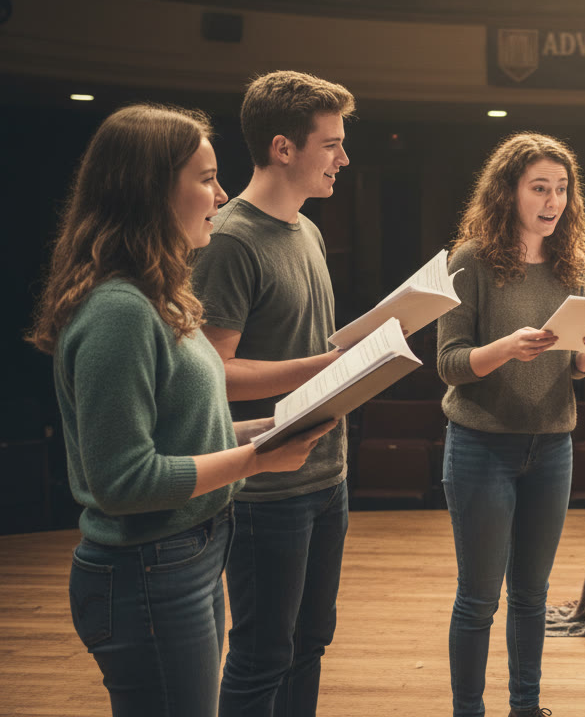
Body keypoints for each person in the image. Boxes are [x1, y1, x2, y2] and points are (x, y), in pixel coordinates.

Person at [26, 103, 334, 716]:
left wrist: (268, 425)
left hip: (183, 557)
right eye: (205, 178)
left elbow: (181, 430)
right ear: (150, 191)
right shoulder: (119, 311)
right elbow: (123, 480)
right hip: (147, 571)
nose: (220, 194)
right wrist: (254, 459)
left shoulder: (156, 296)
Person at [191, 70, 355, 717]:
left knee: (311, 641)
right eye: (332, 144)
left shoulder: (307, 229)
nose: (344, 158)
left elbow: (300, 345)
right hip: (264, 482)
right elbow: (213, 371)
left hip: (323, 473)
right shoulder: (230, 239)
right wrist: (327, 366)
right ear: (284, 148)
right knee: (262, 653)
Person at [436, 132, 585, 717]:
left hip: (552, 445)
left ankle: (525, 706)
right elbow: (451, 364)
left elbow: (576, 369)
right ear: (507, 191)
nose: (553, 201)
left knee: (533, 597)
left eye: (562, 189)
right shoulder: (470, 261)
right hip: (481, 445)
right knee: (479, 598)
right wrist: (505, 349)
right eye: (540, 187)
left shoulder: (573, 262)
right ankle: (469, 709)